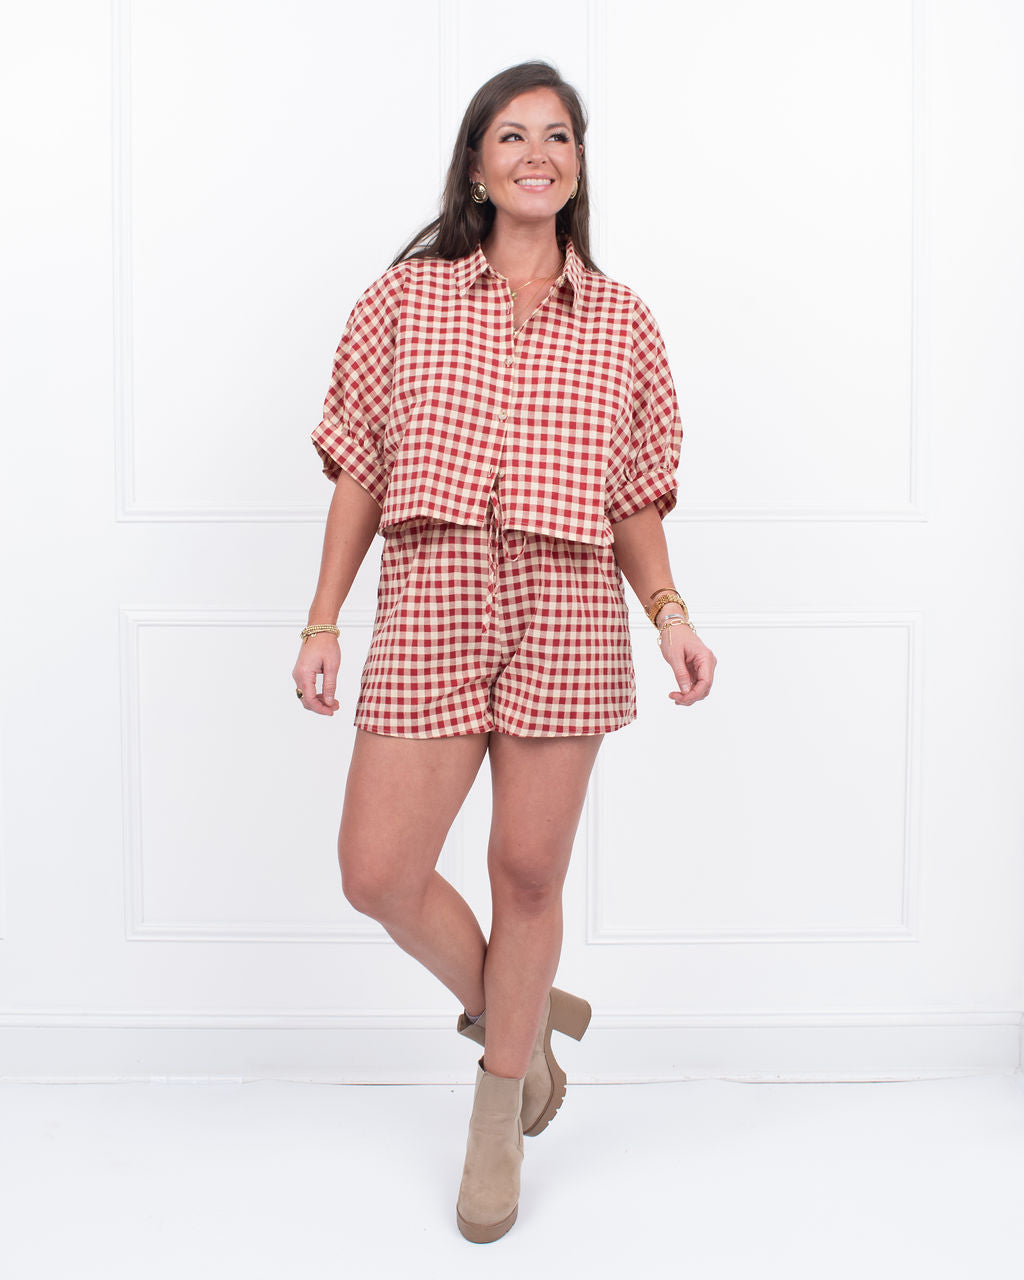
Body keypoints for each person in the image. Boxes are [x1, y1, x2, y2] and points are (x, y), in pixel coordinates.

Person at [293, 59, 717, 1244]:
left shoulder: (623, 321)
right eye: (514, 134)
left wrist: (669, 611)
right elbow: (359, 469)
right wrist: (323, 618)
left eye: (559, 136)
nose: (539, 153)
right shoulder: (402, 302)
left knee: (528, 875)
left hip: (566, 611)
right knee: (377, 869)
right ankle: (523, 1028)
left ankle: (499, 1107)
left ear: (579, 165)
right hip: (430, 605)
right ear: (476, 165)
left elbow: (634, 497)